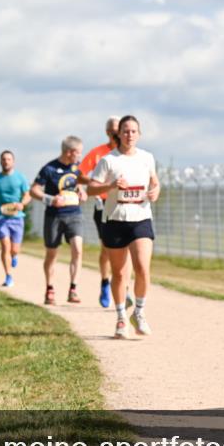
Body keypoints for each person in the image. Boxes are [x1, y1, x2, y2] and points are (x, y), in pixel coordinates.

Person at [87, 116, 160, 337]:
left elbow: (154, 182)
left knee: (143, 269)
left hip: (140, 218)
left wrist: (156, 191)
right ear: (118, 134)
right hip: (115, 220)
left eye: (133, 131)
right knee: (118, 273)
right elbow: (91, 188)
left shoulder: (147, 158)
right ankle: (120, 318)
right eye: (125, 131)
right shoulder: (109, 160)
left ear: (139, 134)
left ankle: (138, 312)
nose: (129, 135)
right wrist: (110, 186)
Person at [31, 136, 86, 305]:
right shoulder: (49, 169)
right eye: (78, 153)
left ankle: (73, 289)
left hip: (74, 214)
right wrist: (50, 199)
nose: (80, 156)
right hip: (54, 216)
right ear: (69, 152)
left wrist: (82, 192)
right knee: (52, 254)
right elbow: (34, 190)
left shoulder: (78, 168)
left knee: (77, 249)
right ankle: (50, 288)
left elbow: (79, 186)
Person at [77, 116, 125, 307]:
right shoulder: (98, 154)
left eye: (119, 129)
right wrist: (97, 184)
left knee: (126, 247)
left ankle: (121, 282)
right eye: (113, 130)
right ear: (107, 132)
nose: (116, 133)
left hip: (125, 205)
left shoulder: (128, 153)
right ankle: (105, 281)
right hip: (103, 206)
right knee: (107, 248)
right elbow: (79, 175)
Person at [0, 150, 31, 287]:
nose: (6, 161)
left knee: (14, 249)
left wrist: (22, 204)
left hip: (17, 217)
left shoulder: (20, 178)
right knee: (5, 246)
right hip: (1, 216)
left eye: (9, 159)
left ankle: (15, 255)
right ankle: (8, 276)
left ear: (13, 161)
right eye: (4, 159)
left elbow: (27, 195)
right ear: (0, 162)